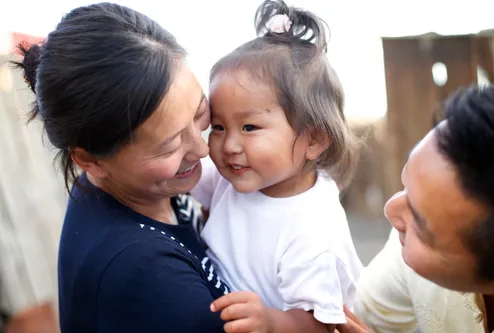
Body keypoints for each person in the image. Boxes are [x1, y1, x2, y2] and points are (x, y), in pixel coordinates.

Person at [12, 2, 362, 333]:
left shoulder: (310, 230)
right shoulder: (144, 275)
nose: (205, 149)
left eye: (199, 115)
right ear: (91, 160)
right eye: (171, 144)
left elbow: (323, 321)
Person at [190, 1, 363, 331]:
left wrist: (270, 321)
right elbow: (179, 175)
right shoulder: (236, 177)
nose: (229, 146)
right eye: (218, 127)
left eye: (249, 128)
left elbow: (321, 326)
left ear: (313, 139)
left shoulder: (313, 232)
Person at [353, 85, 494, 333]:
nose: (391, 210)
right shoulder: (404, 249)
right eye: (406, 187)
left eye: (419, 223)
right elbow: (362, 316)